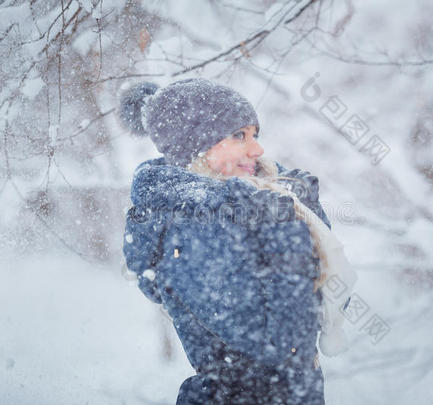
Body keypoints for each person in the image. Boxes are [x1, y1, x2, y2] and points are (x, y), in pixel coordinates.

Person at [120, 78, 356, 404]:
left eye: (254, 135)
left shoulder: (254, 204)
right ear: (197, 145)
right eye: (239, 136)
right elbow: (279, 341)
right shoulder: (188, 228)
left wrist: (306, 211)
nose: (257, 149)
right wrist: (283, 228)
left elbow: (328, 299)